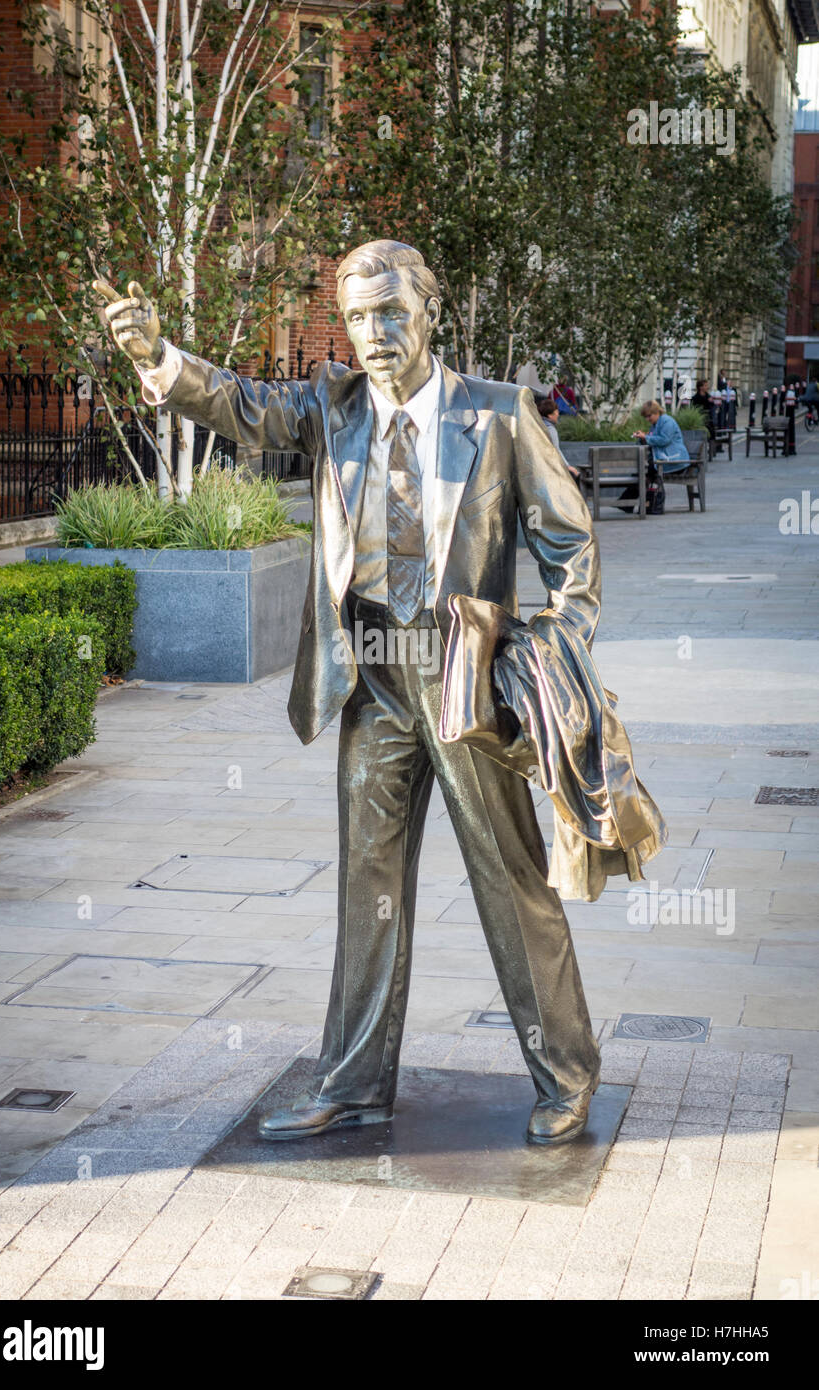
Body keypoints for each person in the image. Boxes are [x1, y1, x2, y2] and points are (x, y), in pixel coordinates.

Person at [94, 240, 603, 1147]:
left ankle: (565, 1073)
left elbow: (571, 545)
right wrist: (157, 357)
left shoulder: (497, 414)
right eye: (358, 316)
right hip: (373, 676)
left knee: (509, 874)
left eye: (391, 312)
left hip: (464, 675)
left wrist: (551, 648)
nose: (374, 333)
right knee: (368, 883)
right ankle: (355, 1082)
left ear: (430, 312)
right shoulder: (333, 406)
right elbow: (239, 404)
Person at [537, 398, 581, 481]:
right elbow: (555, 451)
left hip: (541, 466)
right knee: (575, 476)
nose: (558, 414)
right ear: (550, 415)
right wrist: (568, 467)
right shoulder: (550, 429)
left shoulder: (539, 425)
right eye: (556, 412)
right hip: (551, 469)